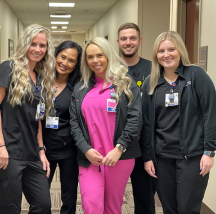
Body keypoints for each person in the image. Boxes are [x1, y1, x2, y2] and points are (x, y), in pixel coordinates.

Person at [141, 31, 216, 214]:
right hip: (162, 157)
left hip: (192, 156)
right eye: (161, 51)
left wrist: (209, 151)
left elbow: (210, 114)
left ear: (180, 50)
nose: (166, 55)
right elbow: (147, 124)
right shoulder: (151, 83)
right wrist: (148, 156)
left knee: (187, 209)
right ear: (156, 55)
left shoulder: (196, 76)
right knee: (168, 208)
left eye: (171, 49)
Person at [0, 24, 55, 214]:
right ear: (25, 43)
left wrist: (41, 150)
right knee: (10, 208)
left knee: (43, 205)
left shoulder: (40, 76)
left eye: (42, 46)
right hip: (8, 151)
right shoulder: (8, 68)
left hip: (32, 151)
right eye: (33, 44)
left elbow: (38, 118)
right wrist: (0, 145)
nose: (37, 49)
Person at [70, 37, 142, 214]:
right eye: (90, 57)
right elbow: (74, 123)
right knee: (91, 204)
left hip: (119, 157)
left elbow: (135, 119)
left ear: (108, 55)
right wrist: (85, 149)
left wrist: (119, 148)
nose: (95, 61)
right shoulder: (80, 88)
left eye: (99, 55)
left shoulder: (126, 85)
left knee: (112, 207)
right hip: (89, 158)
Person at [117, 22, 156, 214]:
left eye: (132, 38)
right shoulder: (110, 70)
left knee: (145, 197)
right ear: (118, 42)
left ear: (139, 41)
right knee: (113, 197)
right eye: (124, 38)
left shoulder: (153, 69)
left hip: (145, 146)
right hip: (116, 146)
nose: (128, 42)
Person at [42, 40, 82, 214]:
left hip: (69, 150)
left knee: (69, 197)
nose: (65, 63)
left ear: (76, 65)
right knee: (40, 197)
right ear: (56, 56)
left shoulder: (79, 88)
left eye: (71, 60)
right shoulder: (41, 80)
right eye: (62, 57)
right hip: (43, 149)